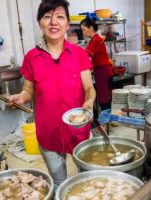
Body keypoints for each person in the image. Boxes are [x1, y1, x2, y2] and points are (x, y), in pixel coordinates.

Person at [9, 0, 96, 189]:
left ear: (67, 23)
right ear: (40, 22)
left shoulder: (79, 54)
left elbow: (89, 87)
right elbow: (28, 89)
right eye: (47, 17)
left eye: (60, 17)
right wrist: (21, 96)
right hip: (48, 132)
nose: (53, 22)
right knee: (59, 183)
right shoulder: (32, 57)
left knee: (87, 178)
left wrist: (89, 100)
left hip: (78, 129)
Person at [80, 18, 114, 111]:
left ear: (91, 28)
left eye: (84, 29)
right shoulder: (93, 39)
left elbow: (85, 54)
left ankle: (106, 120)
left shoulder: (96, 39)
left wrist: (73, 50)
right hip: (100, 71)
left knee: (104, 98)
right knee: (103, 96)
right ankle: (105, 119)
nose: (83, 32)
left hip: (103, 72)